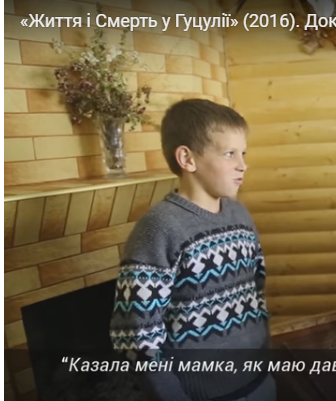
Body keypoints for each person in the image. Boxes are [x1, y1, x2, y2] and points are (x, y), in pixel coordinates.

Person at [109, 99, 275, 401]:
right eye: (229, 154)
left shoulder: (240, 215)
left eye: (243, 153)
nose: (242, 165)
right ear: (187, 158)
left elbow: (256, 296)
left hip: (260, 380)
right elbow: (135, 337)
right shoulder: (159, 228)